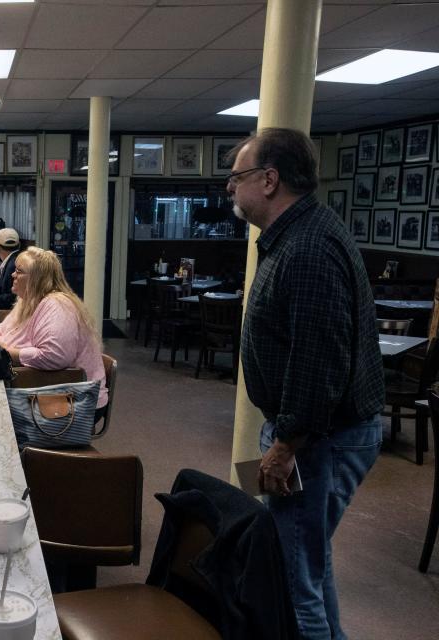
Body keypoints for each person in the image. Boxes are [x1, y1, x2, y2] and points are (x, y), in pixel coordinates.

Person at [228, 128, 384, 640]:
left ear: (269, 180)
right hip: (314, 437)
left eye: (238, 177)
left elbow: (318, 364)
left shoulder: (309, 247)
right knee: (309, 567)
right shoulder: (295, 235)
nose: (231, 188)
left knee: (294, 583)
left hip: (317, 442)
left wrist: (285, 444)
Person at [0, 246, 108, 416]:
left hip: (72, 402)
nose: (13, 275)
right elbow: (6, 330)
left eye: (19, 271)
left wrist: (8, 352)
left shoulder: (58, 306)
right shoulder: (28, 299)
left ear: (37, 279)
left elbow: (54, 356)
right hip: (43, 391)